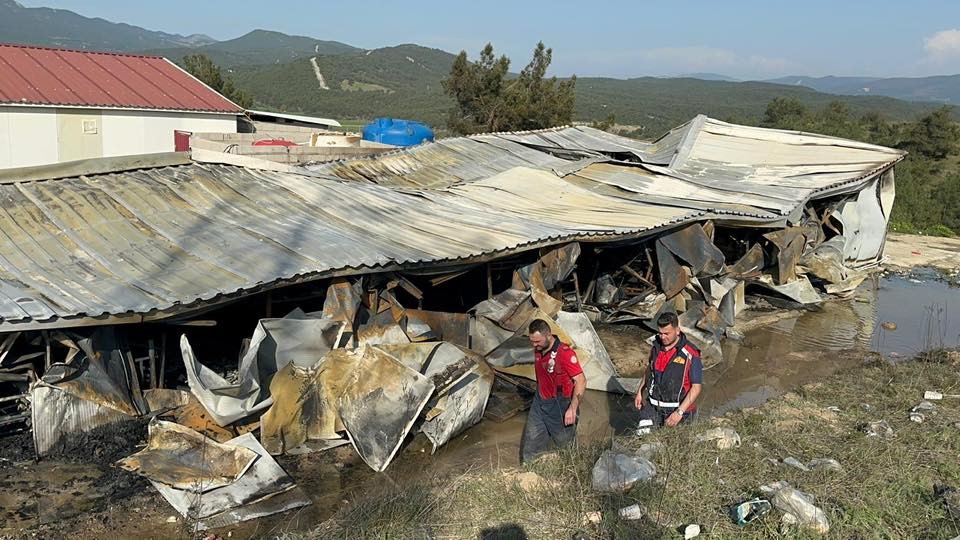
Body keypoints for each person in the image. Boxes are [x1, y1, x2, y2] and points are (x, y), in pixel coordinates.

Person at [520, 318, 587, 463]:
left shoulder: (565, 353)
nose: (534, 345)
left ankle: (573, 470)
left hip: (559, 405)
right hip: (540, 401)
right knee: (532, 442)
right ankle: (529, 471)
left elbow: (581, 381)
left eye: (537, 341)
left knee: (566, 446)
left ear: (548, 335)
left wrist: (572, 408)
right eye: (532, 341)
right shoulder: (539, 349)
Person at [634, 312, 703, 431]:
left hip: (679, 411)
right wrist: (640, 391)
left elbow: (696, 388)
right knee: (642, 438)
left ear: (677, 331)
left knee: (671, 442)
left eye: (667, 333)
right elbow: (650, 370)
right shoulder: (655, 348)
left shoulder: (691, 354)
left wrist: (679, 412)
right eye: (660, 333)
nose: (662, 337)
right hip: (653, 408)